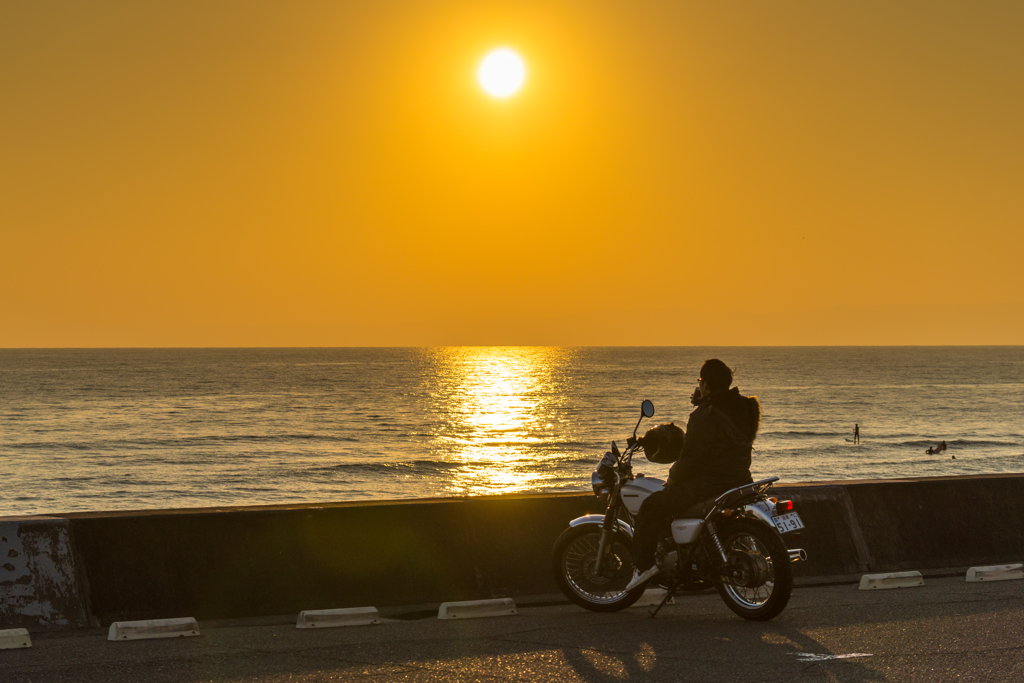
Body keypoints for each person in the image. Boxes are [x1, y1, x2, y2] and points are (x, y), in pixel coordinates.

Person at [626, 359, 761, 590]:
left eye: (700, 381)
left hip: (708, 486)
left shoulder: (705, 415)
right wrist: (703, 402)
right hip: (740, 480)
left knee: (651, 507)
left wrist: (672, 477)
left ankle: (644, 567)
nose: (698, 386)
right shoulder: (747, 407)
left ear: (706, 384)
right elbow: (722, 441)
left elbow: (690, 459)